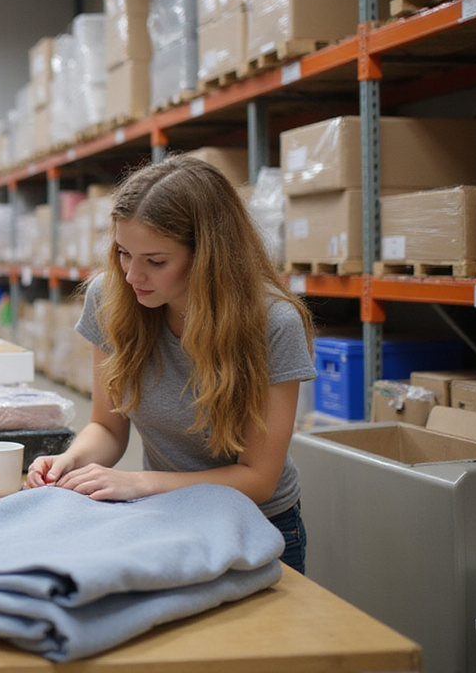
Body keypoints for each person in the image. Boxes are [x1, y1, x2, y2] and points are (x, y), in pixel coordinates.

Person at [24, 155, 316, 574]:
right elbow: (107, 427)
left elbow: (258, 477)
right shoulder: (111, 301)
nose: (131, 276)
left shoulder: (272, 323)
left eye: (155, 262)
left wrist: (138, 483)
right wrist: (73, 460)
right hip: (165, 513)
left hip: (257, 522)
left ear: (209, 255)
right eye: (124, 253)